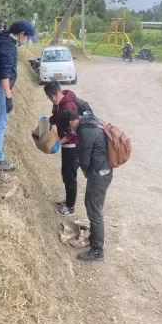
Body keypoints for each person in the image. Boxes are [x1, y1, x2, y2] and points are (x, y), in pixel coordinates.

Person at [54, 109, 112, 262]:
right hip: (102, 170)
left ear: (73, 121)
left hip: (99, 173)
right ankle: (94, 240)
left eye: (69, 128)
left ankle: (97, 250)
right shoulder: (90, 121)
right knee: (92, 206)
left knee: (94, 210)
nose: (70, 131)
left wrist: (86, 172)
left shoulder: (86, 131)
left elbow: (85, 160)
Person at [0, 21, 36, 171]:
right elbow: (4, 73)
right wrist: (8, 97)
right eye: (27, 37)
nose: (27, 40)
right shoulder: (8, 45)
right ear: (21, 33)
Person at [45, 81, 82, 216]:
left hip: (74, 145)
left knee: (70, 175)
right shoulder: (59, 105)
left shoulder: (68, 105)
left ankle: (70, 207)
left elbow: (73, 130)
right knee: (65, 173)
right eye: (50, 97)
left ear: (60, 91)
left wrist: (59, 142)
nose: (53, 99)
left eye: (55, 95)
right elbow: (56, 118)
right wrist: (46, 121)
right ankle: (67, 201)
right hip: (67, 145)